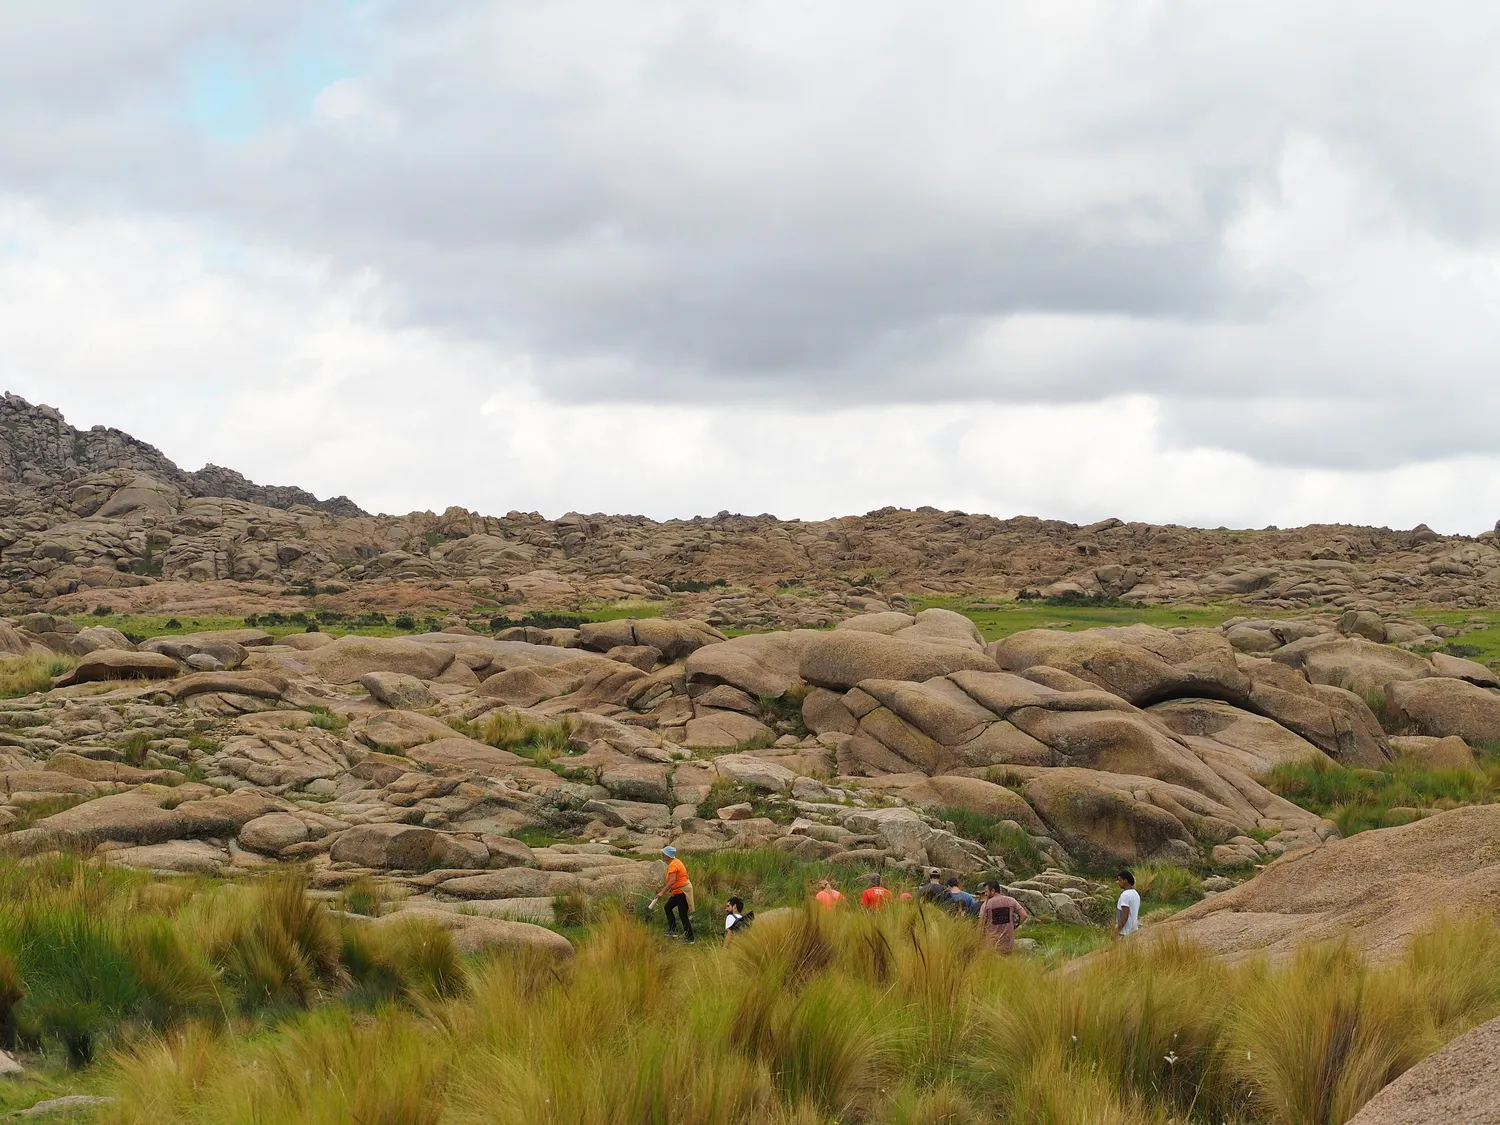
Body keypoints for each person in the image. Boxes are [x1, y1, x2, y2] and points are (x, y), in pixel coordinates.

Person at [648, 845, 695, 944]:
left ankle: (690, 938)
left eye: (663, 854)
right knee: (668, 907)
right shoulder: (676, 862)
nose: (662, 855)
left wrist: (662, 892)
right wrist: (673, 891)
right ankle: (673, 930)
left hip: (682, 892)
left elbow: (672, 881)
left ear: (668, 856)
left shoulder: (673, 865)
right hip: (678, 891)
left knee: (683, 915)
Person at [977, 881, 1029, 953]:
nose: (985, 894)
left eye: (986, 891)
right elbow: (1024, 915)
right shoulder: (1011, 900)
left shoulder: (986, 904)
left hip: (992, 944)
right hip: (1008, 942)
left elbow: (981, 925)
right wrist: (1014, 926)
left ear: (993, 891)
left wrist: (979, 941)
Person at [1114, 869, 1141, 940]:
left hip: (1125, 933)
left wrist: (1116, 932)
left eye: (1119, 880)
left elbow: (1124, 916)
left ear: (1125, 881)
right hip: (1134, 931)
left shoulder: (1125, 895)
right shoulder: (1135, 893)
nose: (1117, 882)